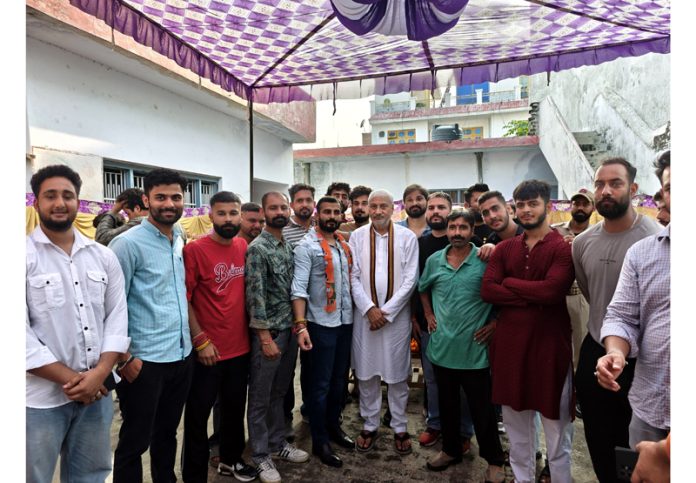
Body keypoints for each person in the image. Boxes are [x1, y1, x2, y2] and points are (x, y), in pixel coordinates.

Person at [26, 165, 130, 483]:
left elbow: (117, 318)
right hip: (38, 400)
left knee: (92, 475)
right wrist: (79, 382)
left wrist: (98, 375)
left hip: (96, 398)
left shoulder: (103, 256)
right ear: (36, 203)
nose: (60, 203)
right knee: (32, 476)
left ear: (77, 200)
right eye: (51, 196)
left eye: (67, 195)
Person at [572, 157, 661, 482]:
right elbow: (592, 294)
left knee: (638, 449)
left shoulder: (655, 239)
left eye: (615, 183)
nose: (605, 190)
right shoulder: (582, 243)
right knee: (598, 438)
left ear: (634, 189)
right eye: (599, 184)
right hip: (597, 349)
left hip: (644, 361)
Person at [481, 180, 576, 483]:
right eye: (520, 205)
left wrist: (509, 284)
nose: (525, 210)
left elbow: (552, 292)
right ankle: (523, 479)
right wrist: (530, 294)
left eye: (532, 203)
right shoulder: (505, 248)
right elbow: (488, 291)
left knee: (557, 432)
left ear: (547, 205)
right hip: (510, 349)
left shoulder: (561, 247)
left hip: (550, 350)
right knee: (517, 432)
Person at [109, 168, 195, 483]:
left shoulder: (179, 236)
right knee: (134, 441)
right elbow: (110, 306)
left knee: (167, 434)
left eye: (175, 196)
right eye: (160, 197)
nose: (169, 203)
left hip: (181, 357)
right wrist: (125, 359)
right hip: (144, 363)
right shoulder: (127, 244)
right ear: (146, 200)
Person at [419, 209, 506, 481]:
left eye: (462, 228)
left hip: (475, 352)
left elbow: (503, 296)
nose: (457, 232)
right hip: (442, 349)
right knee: (447, 407)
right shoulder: (435, 260)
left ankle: (494, 461)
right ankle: (450, 450)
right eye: (452, 227)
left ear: (472, 231)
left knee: (483, 411)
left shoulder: (485, 260)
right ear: (446, 230)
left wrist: (494, 324)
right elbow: (423, 289)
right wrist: (429, 315)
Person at [180, 191, 257, 483]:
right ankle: (194, 475)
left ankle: (231, 460)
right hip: (207, 352)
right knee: (197, 418)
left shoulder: (242, 245)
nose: (228, 219)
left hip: (240, 349)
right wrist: (200, 340)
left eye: (233, 213)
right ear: (210, 215)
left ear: (240, 215)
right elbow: (184, 299)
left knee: (234, 412)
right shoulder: (195, 251)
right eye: (221, 213)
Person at [596, 151, 670, 448]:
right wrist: (615, 351)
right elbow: (622, 316)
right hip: (650, 407)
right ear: (663, 195)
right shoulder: (643, 252)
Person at [349, 189, 419, 455]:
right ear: (368, 208)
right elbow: (353, 276)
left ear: (393, 209)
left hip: (395, 319)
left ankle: (400, 427)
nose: (377, 211)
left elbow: (411, 278)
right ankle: (369, 424)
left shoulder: (407, 237)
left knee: (398, 375)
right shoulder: (357, 237)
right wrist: (369, 309)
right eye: (373, 206)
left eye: (383, 206)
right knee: (366, 374)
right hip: (365, 317)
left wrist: (386, 312)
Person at [246, 192, 309, 483]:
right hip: (268, 334)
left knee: (279, 393)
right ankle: (260, 456)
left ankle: (277, 443)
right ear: (264, 211)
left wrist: (297, 327)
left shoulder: (287, 246)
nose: (280, 211)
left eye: (284, 207)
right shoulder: (258, 249)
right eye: (274, 207)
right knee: (260, 397)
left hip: (287, 330)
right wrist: (264, 337)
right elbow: (254, 297)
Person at [291, 196, 355, 468]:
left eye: (336, 212)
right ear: (318, 214)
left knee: (339, 382)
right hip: (320, 325)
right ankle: (320, 441)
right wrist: (301, 325)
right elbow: (298, 289)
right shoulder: (306, 246)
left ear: (342, 215)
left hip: (344, 323)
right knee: (320, 386)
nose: (331, 215)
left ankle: (333, 429)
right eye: (326, 211)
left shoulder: (343, 244)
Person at [413, 192, 475, 452]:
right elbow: (416, 284)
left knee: (464, 385)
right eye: (432, 207)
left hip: (465, 329)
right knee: (433, 379)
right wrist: (419, 316)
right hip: (432, 327)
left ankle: (463, 431)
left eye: (442, 207)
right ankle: (435, 424)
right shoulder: (420, 244)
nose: (436, 211)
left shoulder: (475, 249)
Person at [552, 189, 595, 371]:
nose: (580, 207)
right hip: (556, 297)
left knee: (579, 347)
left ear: (593, 208)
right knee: (554, 347)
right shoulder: (555, 230)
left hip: (581, 298)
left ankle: (576, 394)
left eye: (585, 204)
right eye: (576, 203)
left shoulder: (597, 234)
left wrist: (578, 247)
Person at [283, 183, 316, 248]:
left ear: (314, 204)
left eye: (308, 200)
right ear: (291, 205)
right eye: (300, 201)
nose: (304, 205)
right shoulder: (282, 230)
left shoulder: (321, 226)